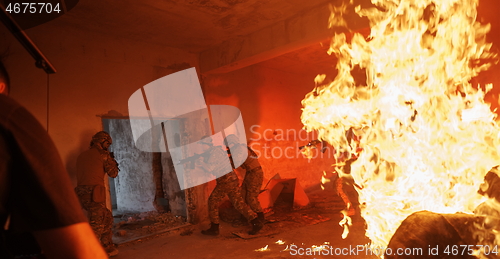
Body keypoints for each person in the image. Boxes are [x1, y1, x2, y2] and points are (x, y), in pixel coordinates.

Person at [0, 60, 108, 258]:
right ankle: (107, 245)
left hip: (82, 192)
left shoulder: (83, 154)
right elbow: (80, 252)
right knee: (100, 221)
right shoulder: (9, 116)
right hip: (96, 192)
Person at [196, 136, 263, 236]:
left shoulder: (215, 152)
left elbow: (210, 169)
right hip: (231, 180)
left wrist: (200, 162)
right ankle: (256, 221)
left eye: (202, 144)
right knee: (238, 203)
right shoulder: (215, 151)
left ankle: (214, 228)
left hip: (226, 181)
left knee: (212, 201)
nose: (201, 147)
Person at [75, 131, 119, 256]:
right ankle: (90, 252)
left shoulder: (81, 155)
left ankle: (107, 246)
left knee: (107, 216)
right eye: (107, 143)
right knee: (97, 225)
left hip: (81, 194)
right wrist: (112, 160)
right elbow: (113, 173)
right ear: (102, 142)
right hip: (94, 194)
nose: (108, 146)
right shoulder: (103, 155)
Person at [223, 134, 265, 226]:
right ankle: (246, 217)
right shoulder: (239, 148)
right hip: (250, 173)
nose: (227, 147)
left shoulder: (240, 150)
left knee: (251, 198)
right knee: (243, 195)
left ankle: (261, 217)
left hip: (255, 173)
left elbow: (235, 164)